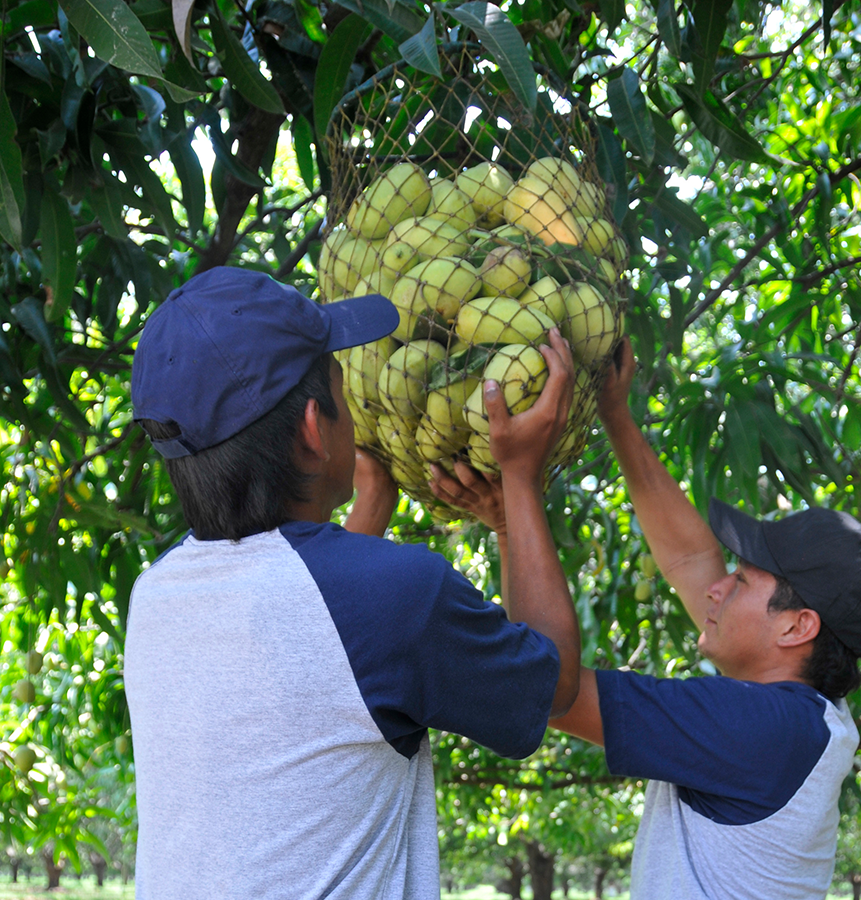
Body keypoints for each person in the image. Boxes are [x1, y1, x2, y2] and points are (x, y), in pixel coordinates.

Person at [124, 266, 580, 900]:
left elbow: (315, 643)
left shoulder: (155, 596)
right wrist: (519, 483)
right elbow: (554, 683)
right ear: (315, 429)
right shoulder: (401, 596)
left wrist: (373, 501)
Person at [430, 337, 861, 900]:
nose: (716, 588)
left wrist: (519, 482)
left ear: (797, 627)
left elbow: (547, 688)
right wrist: (614, 413)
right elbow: (689, 560)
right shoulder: (810, 721)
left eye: (742, 580)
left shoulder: (760, 728)